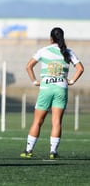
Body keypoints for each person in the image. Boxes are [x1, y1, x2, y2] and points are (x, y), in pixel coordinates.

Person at [20, 27, 84, 159]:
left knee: (37, 121)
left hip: (46, 88)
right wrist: (71, 81)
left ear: (51, 38)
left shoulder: (44, 51)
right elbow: (80, 68)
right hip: (61, 88)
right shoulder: (68, 52)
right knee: (56, 122)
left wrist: (34, 81)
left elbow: (28, 66)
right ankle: (53, 152)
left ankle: (28, 151)